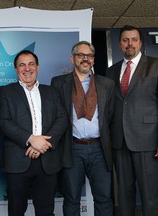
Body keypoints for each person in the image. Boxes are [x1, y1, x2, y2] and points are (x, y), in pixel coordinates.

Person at [0, 50, 68, 216]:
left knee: (46, 210)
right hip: (18, 161)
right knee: (16, 210)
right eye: (22, 65)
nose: (27, 68)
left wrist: (43, 144)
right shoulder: (6, 91)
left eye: (31, 64)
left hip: (47, 160)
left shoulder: (51, 91)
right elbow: (4, 122)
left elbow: (62, 118)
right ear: (16, 69)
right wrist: (31, 139)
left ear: (38, 67)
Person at [51, 41, 115, 216]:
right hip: (72, 148)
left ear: (94, 60)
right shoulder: (58, 83)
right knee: (71, 199)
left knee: (104, 198)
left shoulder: (107, 84)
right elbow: (55, 116)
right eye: (81, 55)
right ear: (73, 59)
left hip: (99, 149)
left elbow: (110, 117)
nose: (85, 59)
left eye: (89, 56)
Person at [106, 25, 158, 216]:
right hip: (119, 143)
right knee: (124, 197)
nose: (130, 44)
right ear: (120, 44)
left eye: (134, 39)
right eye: (126, 40)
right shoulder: (111, 71)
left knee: (150, 196)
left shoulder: (155, 65)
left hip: (148, 142)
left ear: (140, 42)